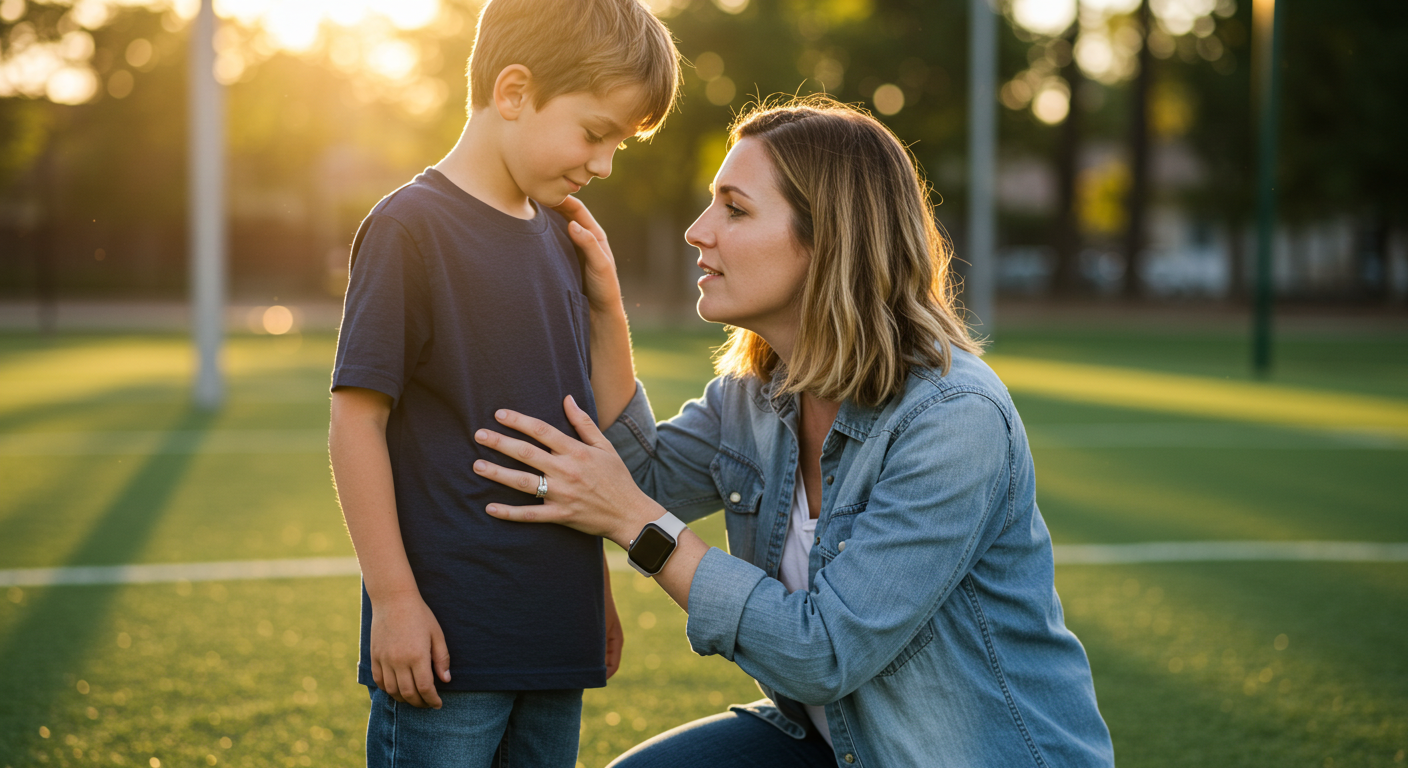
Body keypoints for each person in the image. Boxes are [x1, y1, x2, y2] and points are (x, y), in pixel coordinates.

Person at [470, 97, 1115, 767]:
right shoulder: (754, 395)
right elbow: (636, 477)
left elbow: (824, 653)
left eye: (735, 209)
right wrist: (604, 303)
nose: (698, 230)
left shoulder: (953, 419)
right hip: (838, 742)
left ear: (828, 241)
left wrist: (642, 528)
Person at [326, 1, 680, 765]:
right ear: (513, 92)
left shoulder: (562, 234)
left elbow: (591, 429)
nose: (605, 163)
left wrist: (607, 301)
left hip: (556, 634)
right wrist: (393, 600)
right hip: (448, 643)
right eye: (595, 132)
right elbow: (356, 423)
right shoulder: (409, 228)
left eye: (621, 143)